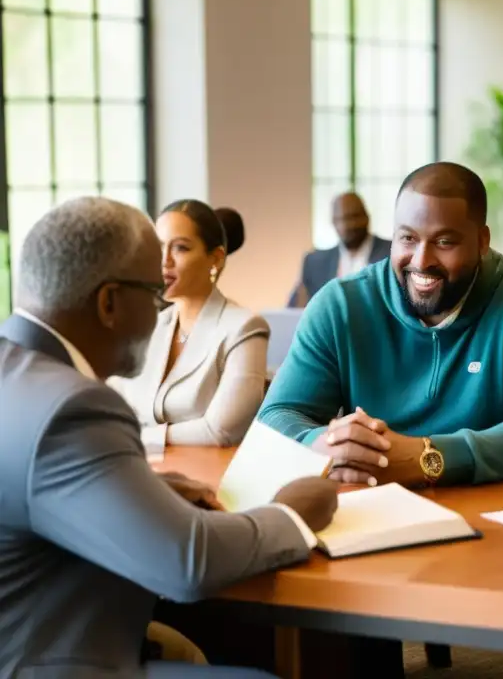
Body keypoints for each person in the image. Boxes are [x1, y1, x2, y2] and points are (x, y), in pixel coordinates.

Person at [0, 197, 339, 677]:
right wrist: (290, 514)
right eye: (155, 292)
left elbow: (33, 493)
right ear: (110, 303)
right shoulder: (71, 410)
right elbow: (190, 561)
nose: (163, 304)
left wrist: (141, 487)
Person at [261, 161, 503, 487]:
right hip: (369, 505)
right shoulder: (341, 304)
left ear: (482, 242)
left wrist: (426, 457)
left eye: (444, 242)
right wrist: (327, 444)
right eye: (408, 238)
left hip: (492, 512)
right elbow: (275, 415)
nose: (421, 260)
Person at [108, 200, 269, 447]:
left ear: (215, 258)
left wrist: (137, 437)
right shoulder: (153, 323)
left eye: (180, 248)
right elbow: (114, 400)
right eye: (159, 247)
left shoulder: (244, 327)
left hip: (208, 476)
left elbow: (220, 431)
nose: (165, 261)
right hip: (145, 468)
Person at [287, 191, 390, 307]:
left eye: (355, 216)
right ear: (333, 222)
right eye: (343, 218)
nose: (350, 224)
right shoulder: (314, 263)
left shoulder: (391, 254)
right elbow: (292, 312)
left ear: (367, 217)